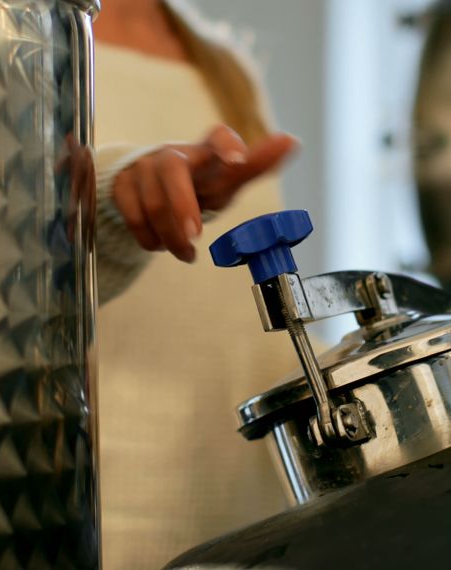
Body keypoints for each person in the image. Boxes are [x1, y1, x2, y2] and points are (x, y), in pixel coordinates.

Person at [92, 1, 301, 566]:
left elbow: (242, 325)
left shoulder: (228, 68)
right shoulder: (23, 41)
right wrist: (118, 198)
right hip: (112, 522)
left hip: (251, 515)